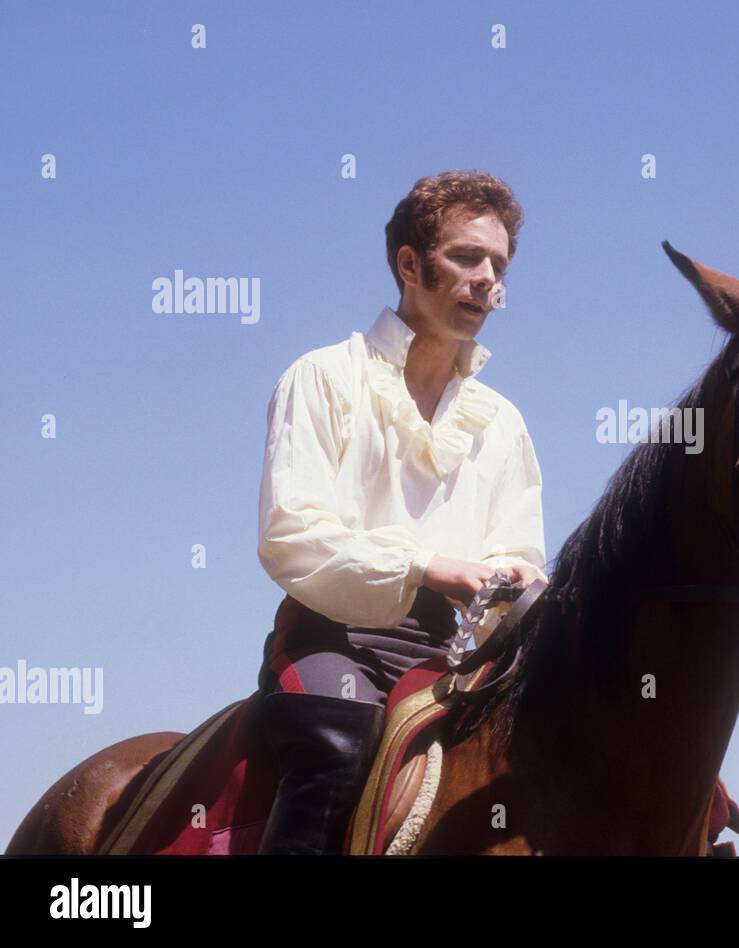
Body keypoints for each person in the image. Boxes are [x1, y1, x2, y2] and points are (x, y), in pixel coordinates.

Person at [253, 171, 547, 854]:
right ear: (409, 264)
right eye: (466, 257)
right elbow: (291, 537)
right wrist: (427, 565)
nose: (487, 280)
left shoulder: (504, 423)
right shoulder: (323, 377)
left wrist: (520, 581)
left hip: (456, 655)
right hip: (335, 639)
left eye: (498, 265)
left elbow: (520, 555)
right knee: (341, 739)